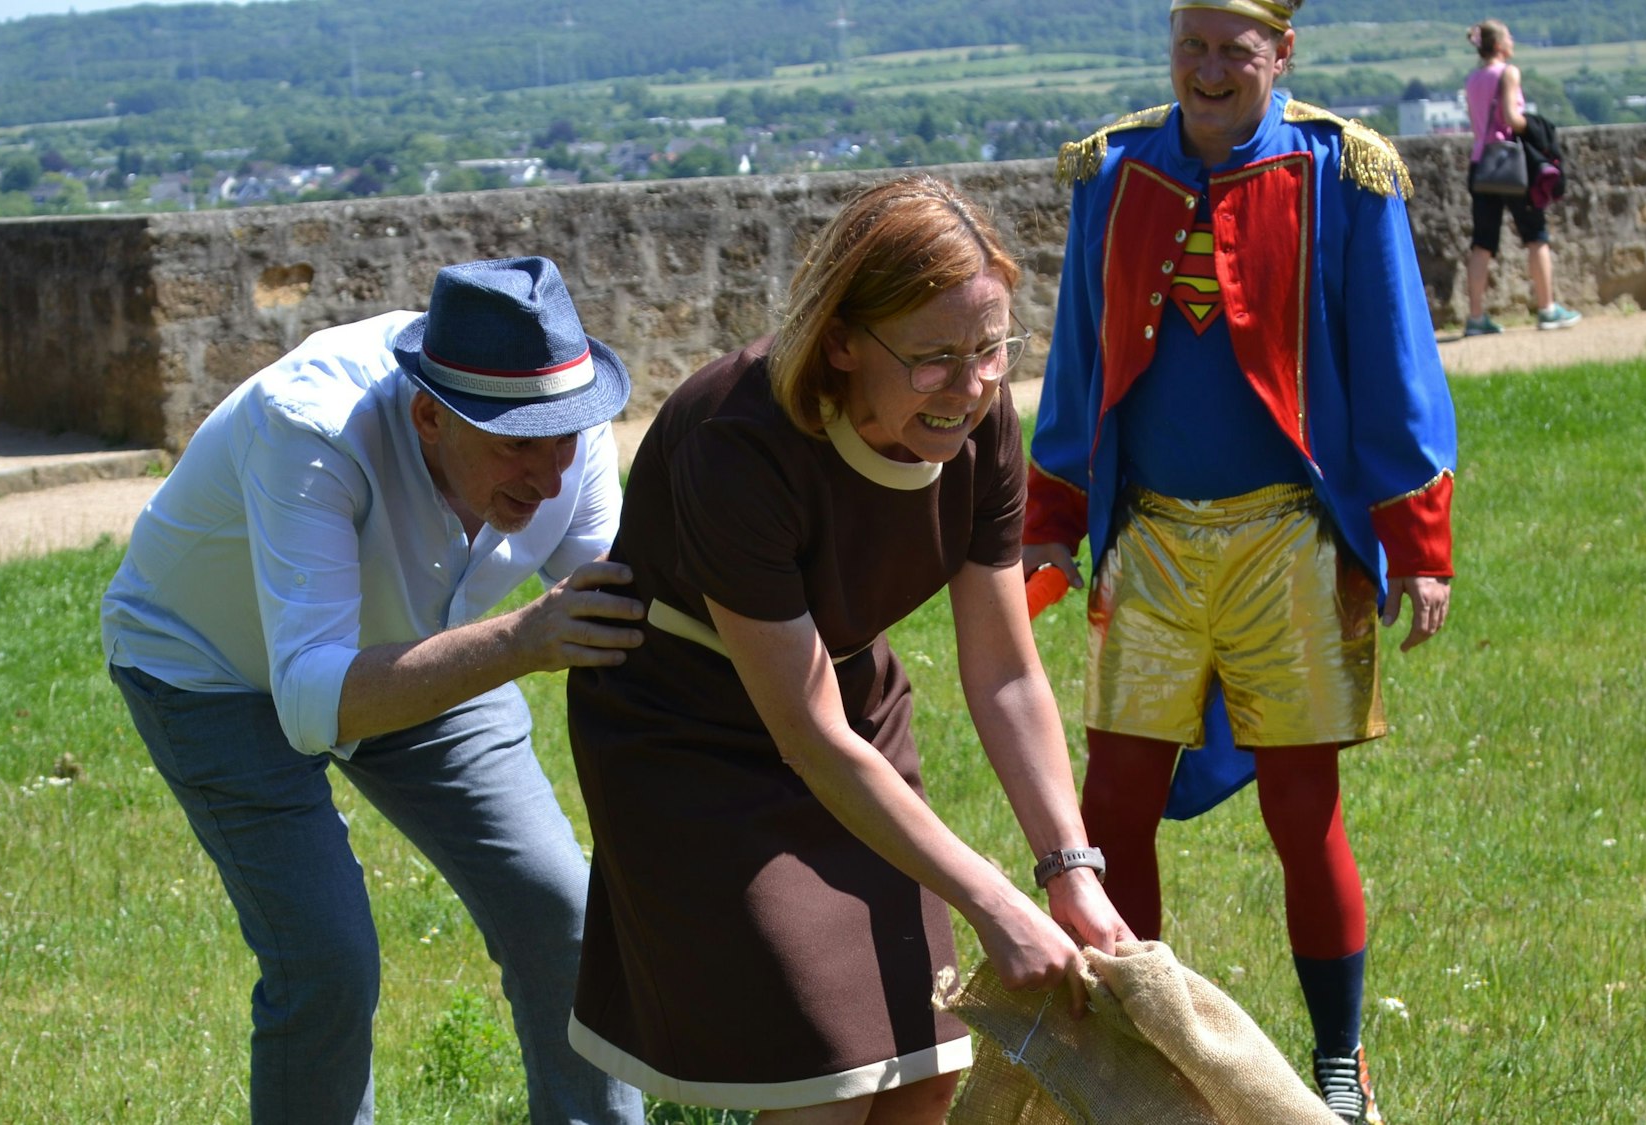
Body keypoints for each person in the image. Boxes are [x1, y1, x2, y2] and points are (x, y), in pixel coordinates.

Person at [564, 174, 1135, 1123]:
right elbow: (808, 733)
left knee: (928, 1059)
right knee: (822, 1076)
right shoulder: (736, 441)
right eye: (935, 357)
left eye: (993, 347)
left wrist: (1068, 867)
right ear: (840, 340)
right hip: (688, 734)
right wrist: (996, 904)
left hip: (847, 706)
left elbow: (1003, 672)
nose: (972, 385)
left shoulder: (983, 422)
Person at [1023, 2, 1458, 1123]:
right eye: (1190, 49)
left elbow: (1394, 357)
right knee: (1106, 807)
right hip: (1151, 541)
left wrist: (1416, 543)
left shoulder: (1341, 172)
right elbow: (1077, 360)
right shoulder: (1110, 172)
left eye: (1235, 51)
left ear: (1281, 56)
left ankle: (1338, 1065)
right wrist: (1050, 522)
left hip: (1291, 543)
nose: (1208, 72)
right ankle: (1149, 1054)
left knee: (1300, 810)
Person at [100, 256, 646, 1125]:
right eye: (515, 447)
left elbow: (630, 626)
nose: (550, 476)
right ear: (430, 415)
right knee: (326, 960)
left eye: (565, 441)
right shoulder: (310, 425)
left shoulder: (559, 425)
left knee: (565, 914)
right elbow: (314, 701)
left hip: (416, 649)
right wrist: (517, 639)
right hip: (209, 668)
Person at [1461, 17, 1581, 335]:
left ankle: (1474, 317)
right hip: (1511, 166)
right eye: (1510, 38)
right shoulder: (1508, 73)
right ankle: (1547, 308)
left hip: (1481, 164)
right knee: (1535, 235)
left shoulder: (1472, 79)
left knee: (1482, 243)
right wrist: (1537, 128)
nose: (1513, 42)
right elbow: (1512, 119)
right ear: (1500, 45)